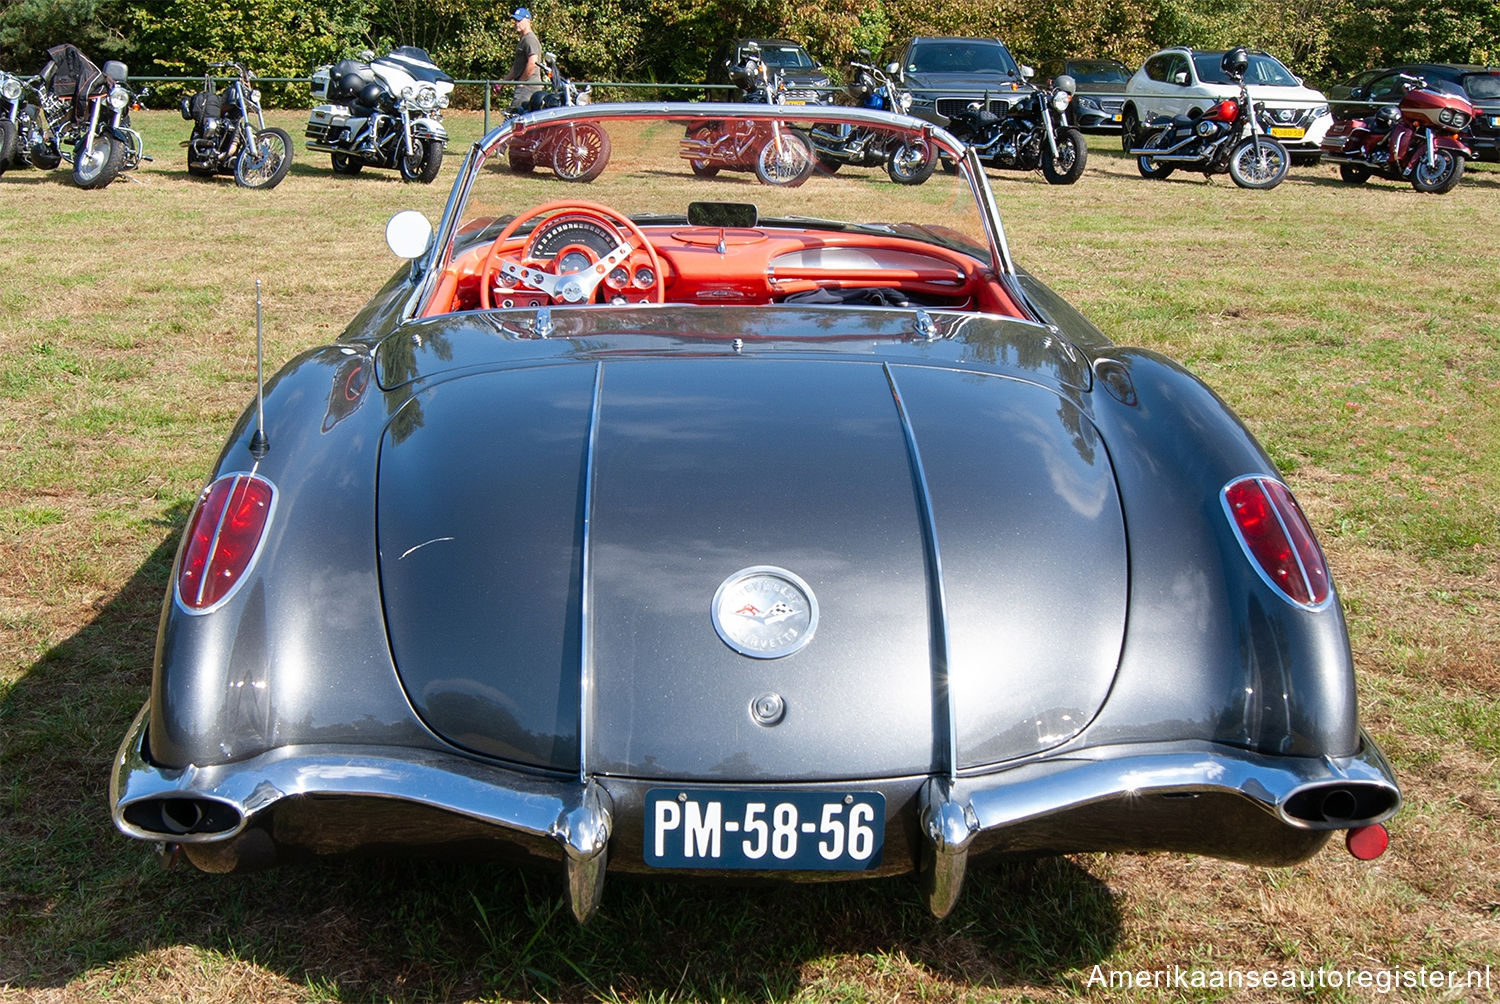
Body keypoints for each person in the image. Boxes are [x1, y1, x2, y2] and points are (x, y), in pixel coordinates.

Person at [499, 7, 543, 112]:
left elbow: (533, 63)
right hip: (524, 86)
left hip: (528, 87)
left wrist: (522, 82)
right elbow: (517, 67)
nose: (516, 23)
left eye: (519, 20)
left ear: (528, 21)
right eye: (515, 20)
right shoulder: (523, 39)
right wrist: (504, 82)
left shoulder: (530, 39)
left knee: (513, 116)